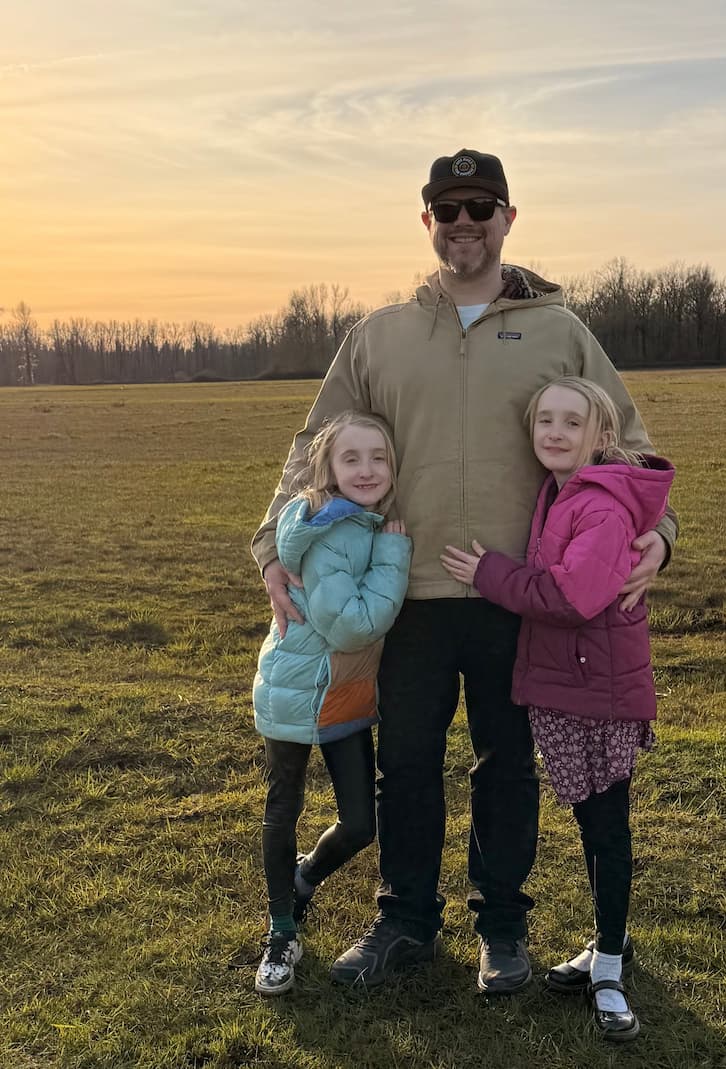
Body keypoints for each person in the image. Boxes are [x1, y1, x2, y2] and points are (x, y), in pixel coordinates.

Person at [251, 149, 678, 993]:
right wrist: (272, 544)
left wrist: (659, 533)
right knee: (406, 764)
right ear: (428, 223)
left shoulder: (560, 331)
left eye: (482, 207)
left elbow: (625, 442)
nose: (464, 223)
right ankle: (404, 919)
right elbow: (314, 444)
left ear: (508, 218)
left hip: (517, 596)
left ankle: (503, 928)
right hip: (402, 594)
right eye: (448, 209)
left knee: (506, 766)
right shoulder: (379, 335)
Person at [441, 376, 674, 1039]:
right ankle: (609, 941)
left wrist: (490, 574)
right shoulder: (560, 490)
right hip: (578, 684)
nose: (555, 431)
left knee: (605, 827)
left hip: (599, 692)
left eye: (572, 422)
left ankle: (609, 969)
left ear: (603, 436)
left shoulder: (598, 506)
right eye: (545, 419)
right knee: (595, 823)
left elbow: (573, 598)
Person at [252, 411, 412, 995]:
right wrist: (395, 557)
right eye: (351, 458)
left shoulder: (359, 522)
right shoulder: (333, 532)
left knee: (360, 822)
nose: (366, 470)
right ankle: (280, 932)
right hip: (296, 691)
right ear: (328, 469)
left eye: (378, 457)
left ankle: (302, 880)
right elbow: (351, 626)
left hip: (339, 691)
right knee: (283, 809)